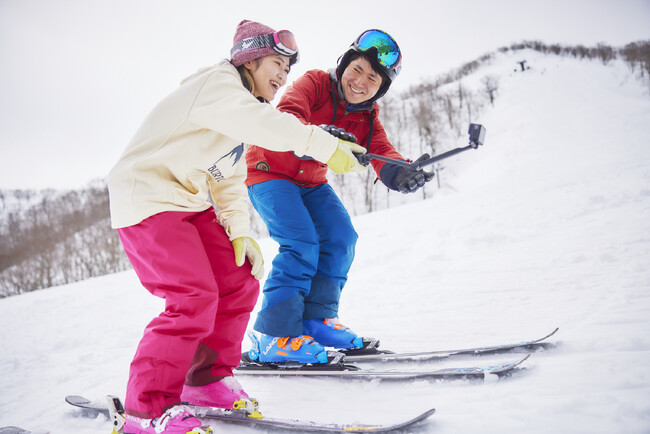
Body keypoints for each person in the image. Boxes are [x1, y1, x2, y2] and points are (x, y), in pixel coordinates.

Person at [107, 19, 366, 434]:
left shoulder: (239, 112)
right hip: (147, 198)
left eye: (288, 68)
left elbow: (226, 178)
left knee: (238, 281)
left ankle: (205, 379)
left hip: (186, 201)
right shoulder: (217, 85)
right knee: (193, 296)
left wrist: (239, 230)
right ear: (249, 58)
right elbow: (269, 126)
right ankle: (147, 409)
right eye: (276, 64)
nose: (283, 75)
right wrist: (325, 144)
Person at [245, 29, 434, 364]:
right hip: (269, 170)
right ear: (344, 64)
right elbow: (288, 112)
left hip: (311, 181)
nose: (360, 81)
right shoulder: (315, 83)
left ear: (380, 88)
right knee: (301, 242)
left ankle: (315, 320)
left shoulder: (367, 116)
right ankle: (273, 335)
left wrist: (401, 172)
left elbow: (380, 151)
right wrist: (319, 134)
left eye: (373, 78)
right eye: (357, 69)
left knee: (341, 236)